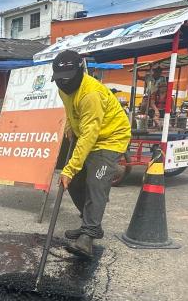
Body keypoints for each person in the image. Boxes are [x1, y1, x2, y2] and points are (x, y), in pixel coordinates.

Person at [51, 50, 132, 259]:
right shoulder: (63, 89)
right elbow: (70, 109)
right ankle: (90, 223)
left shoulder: (90, 94)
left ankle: (88, 236)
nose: (63, 83)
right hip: (87, 132)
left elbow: (90, 133)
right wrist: (69, 125)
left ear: (79, 72)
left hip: (110, 137)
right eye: (59, 79)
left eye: (67, 79)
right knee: (74, 183)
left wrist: (69, 168)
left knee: (96, 183)